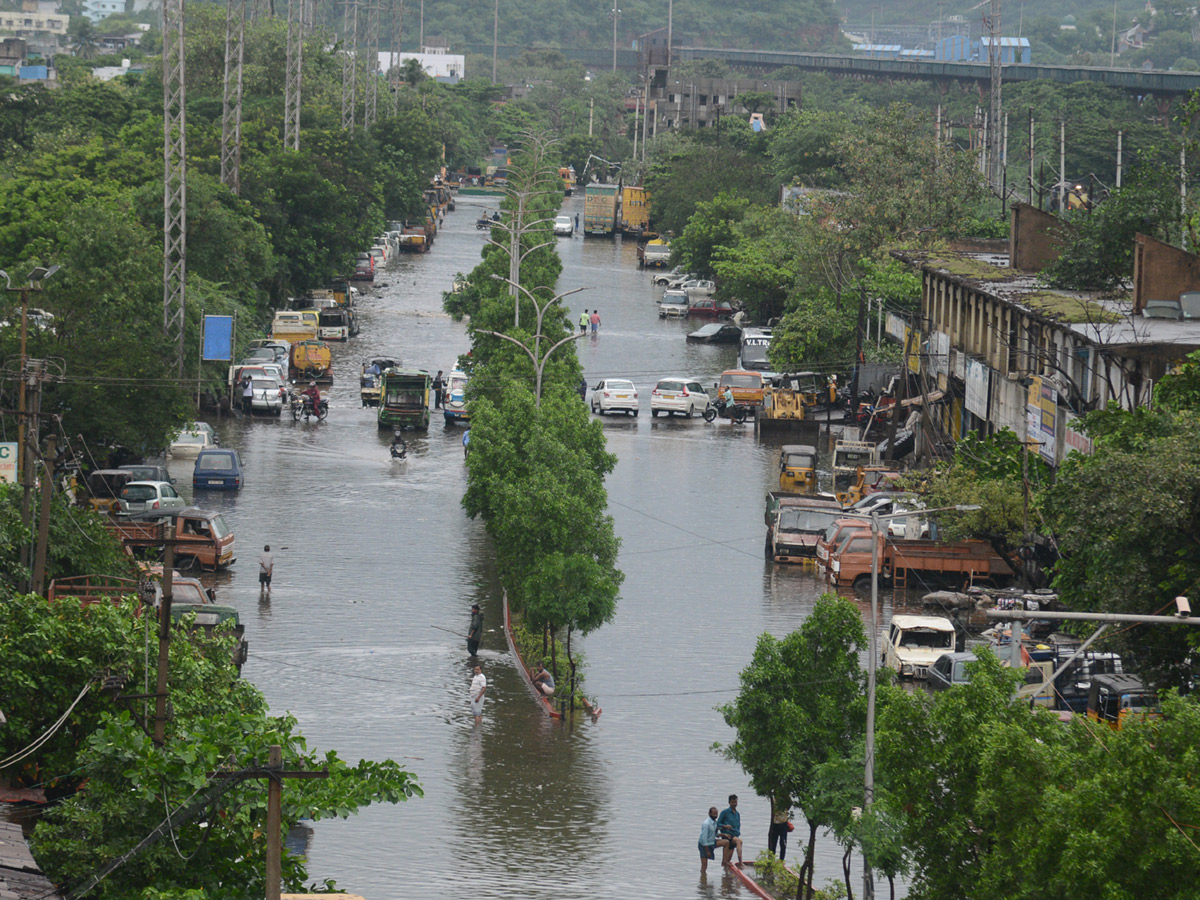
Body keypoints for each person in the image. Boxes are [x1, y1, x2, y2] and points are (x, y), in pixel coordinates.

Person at [717, 795, 743, 867]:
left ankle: (725, 876)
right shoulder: (725, 812)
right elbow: (718, 824)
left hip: (735, 835)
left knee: (727, 861)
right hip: (727, 835)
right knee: (739, 841)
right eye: (732, 802)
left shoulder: (737, 814)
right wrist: (725, 826)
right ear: (729, 802)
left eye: (735, 802)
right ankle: (741, 862)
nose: (734, 804)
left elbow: (738, 825)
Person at [698, 806, 725, 875]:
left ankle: (724, 861)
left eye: (716, 814)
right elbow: (704, 839)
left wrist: (722, 835)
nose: (715, 816)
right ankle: (703, 878)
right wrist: (707, 851)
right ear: (709, 814)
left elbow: (714, 834)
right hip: (704, 845)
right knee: (704, 864)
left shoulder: (714, 822)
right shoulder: (706, 824)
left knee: (726, 842)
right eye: (714, 814)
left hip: (712, 842)